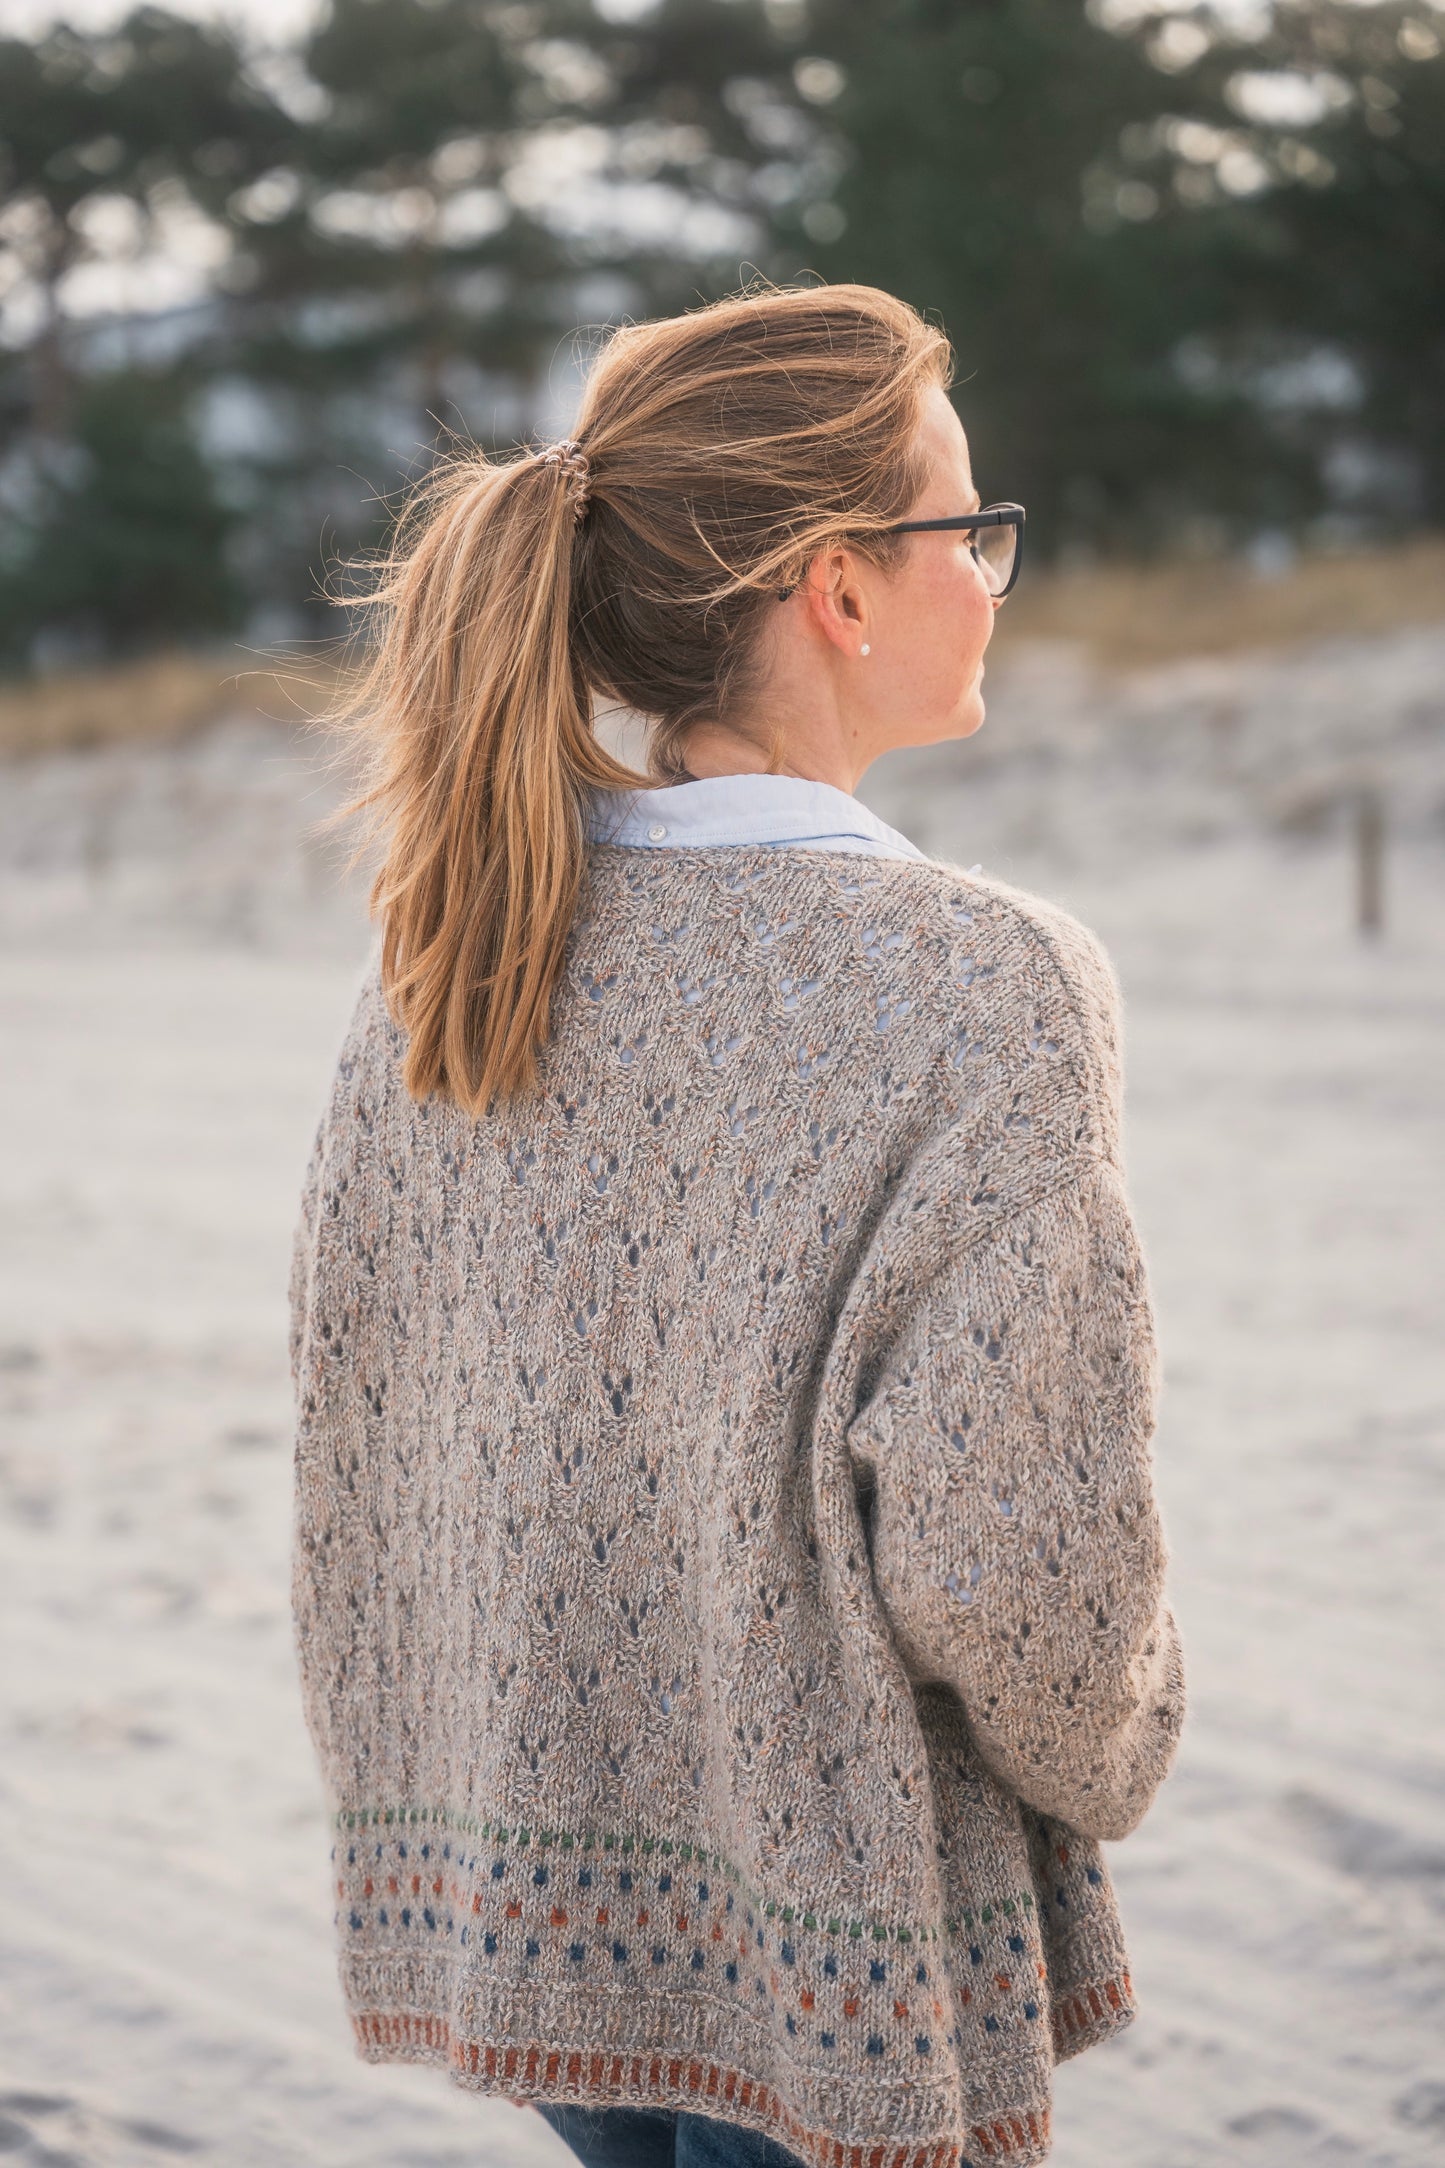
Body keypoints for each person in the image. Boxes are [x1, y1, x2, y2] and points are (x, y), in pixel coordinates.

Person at [288, 279, 1186, 2168]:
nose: (993, 570)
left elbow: (375, 1434)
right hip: (834, 1936)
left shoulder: (464, 945)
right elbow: (1012, 1562)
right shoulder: (980, 986)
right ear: (840, 591)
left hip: (542, 1902)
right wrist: (1122, 1737)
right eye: (969, 527)